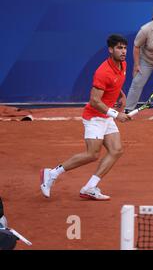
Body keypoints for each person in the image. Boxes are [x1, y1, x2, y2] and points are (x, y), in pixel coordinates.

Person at [40, 34, 131, 200]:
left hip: (106, 116)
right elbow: (94, 101)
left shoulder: (123, 64)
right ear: (110, 50)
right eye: (119, 48)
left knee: (116, 150)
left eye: (125, 47)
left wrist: (121, 96)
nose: (123, 51)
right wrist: (116, 114)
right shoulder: (102, 71)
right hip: (95, 117)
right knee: (92, 154)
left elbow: (115, 84)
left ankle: (90, 187)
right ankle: (51, 174)